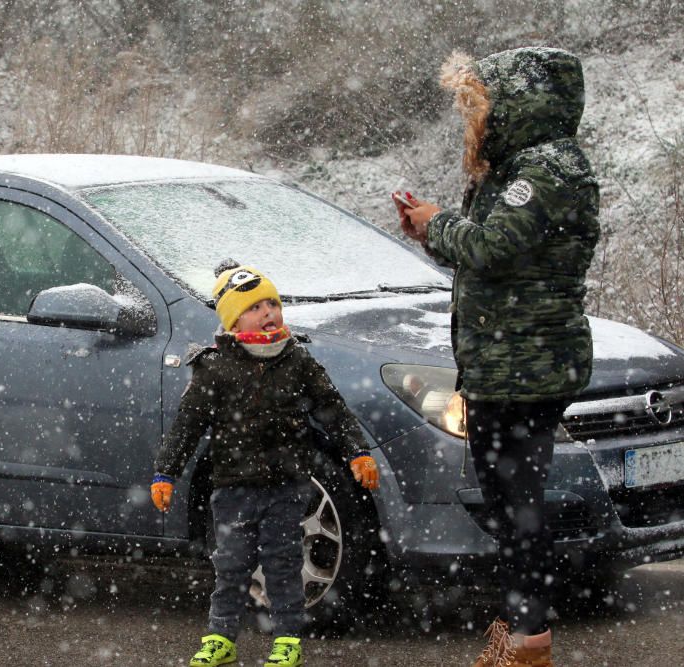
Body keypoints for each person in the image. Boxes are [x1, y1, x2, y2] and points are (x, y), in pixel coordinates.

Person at [396, 47, 600, 667]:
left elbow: (489, 246)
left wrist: (438, 225)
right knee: (512, 501)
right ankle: (523, 632)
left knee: (515, 503)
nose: (475, 119)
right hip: (514, 361)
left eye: (481, 105)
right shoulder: (529, 168)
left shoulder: (545, 170)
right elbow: (493, 256)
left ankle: (528, 640)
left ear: (517, 106)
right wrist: (432, 230)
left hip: (523, 365)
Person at [150, 261, 379, 667]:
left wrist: (357, 452)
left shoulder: (296, 359)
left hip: (286, 487)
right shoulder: (214, 366)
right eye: (256, 307)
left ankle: (288, 637)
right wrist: (165, 472)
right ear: (234, 320)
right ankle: (221, 636)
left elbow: (333, 410)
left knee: (283, 564)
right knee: (231, 566)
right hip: (233, 488)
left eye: (273, 303)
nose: (268, 312)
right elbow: (187, 424)